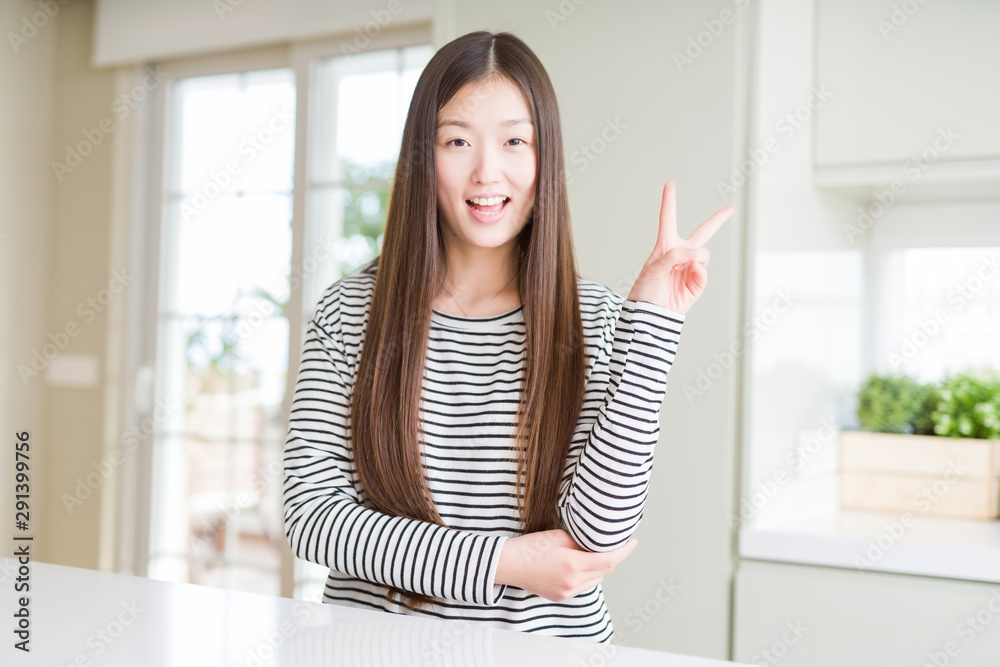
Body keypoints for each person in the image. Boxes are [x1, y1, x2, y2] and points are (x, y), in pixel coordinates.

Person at [281, 30, 733, 643]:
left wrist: (652, 322)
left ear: (546, 158)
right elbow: (313, 518)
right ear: (423, 155)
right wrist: (505, 563)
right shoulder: (350, 311)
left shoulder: (596, 319)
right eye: (457, 140)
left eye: (515, 140)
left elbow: (596, 534)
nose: (486, 171)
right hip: (372, 649)